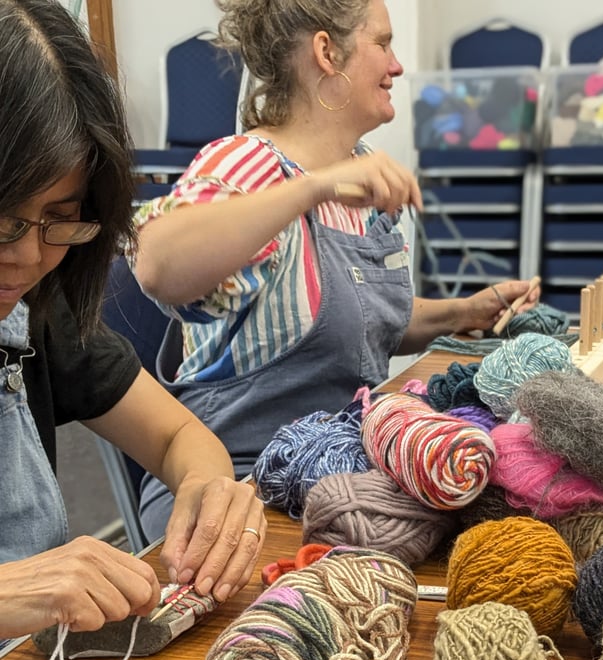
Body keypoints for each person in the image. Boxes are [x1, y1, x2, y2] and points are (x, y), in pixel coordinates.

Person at [131, 0, 541, 539]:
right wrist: (310, 187)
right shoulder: (245, 165)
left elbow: (363, 316)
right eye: (383, 43)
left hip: (336, 474)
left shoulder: (358, 172)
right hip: (233, 496)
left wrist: (462, 312)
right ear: (326, 52)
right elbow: (157, 263)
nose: (396, 66)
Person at [0, 0, 267, 640]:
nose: (31, 255)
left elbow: (180, 438)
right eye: (6, 218)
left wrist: (209, 495)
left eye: (62, 218)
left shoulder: (32, 311)